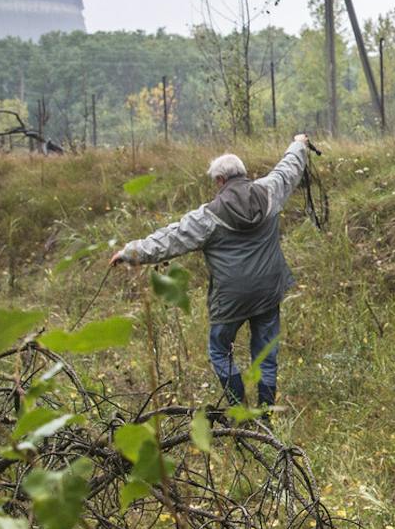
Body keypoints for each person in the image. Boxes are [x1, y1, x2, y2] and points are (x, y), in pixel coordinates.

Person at [110, 135, 312, 407]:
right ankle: (265, 416)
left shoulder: (208, 216)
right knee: (265, 355)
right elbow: (289, 168)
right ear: (244, 173)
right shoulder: (270, 190)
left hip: (231, 298)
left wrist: (130, 252)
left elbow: (169, 239)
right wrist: (299, 143)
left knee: (219, 350)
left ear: (219, 181)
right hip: (268, 291)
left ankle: (238, 411)